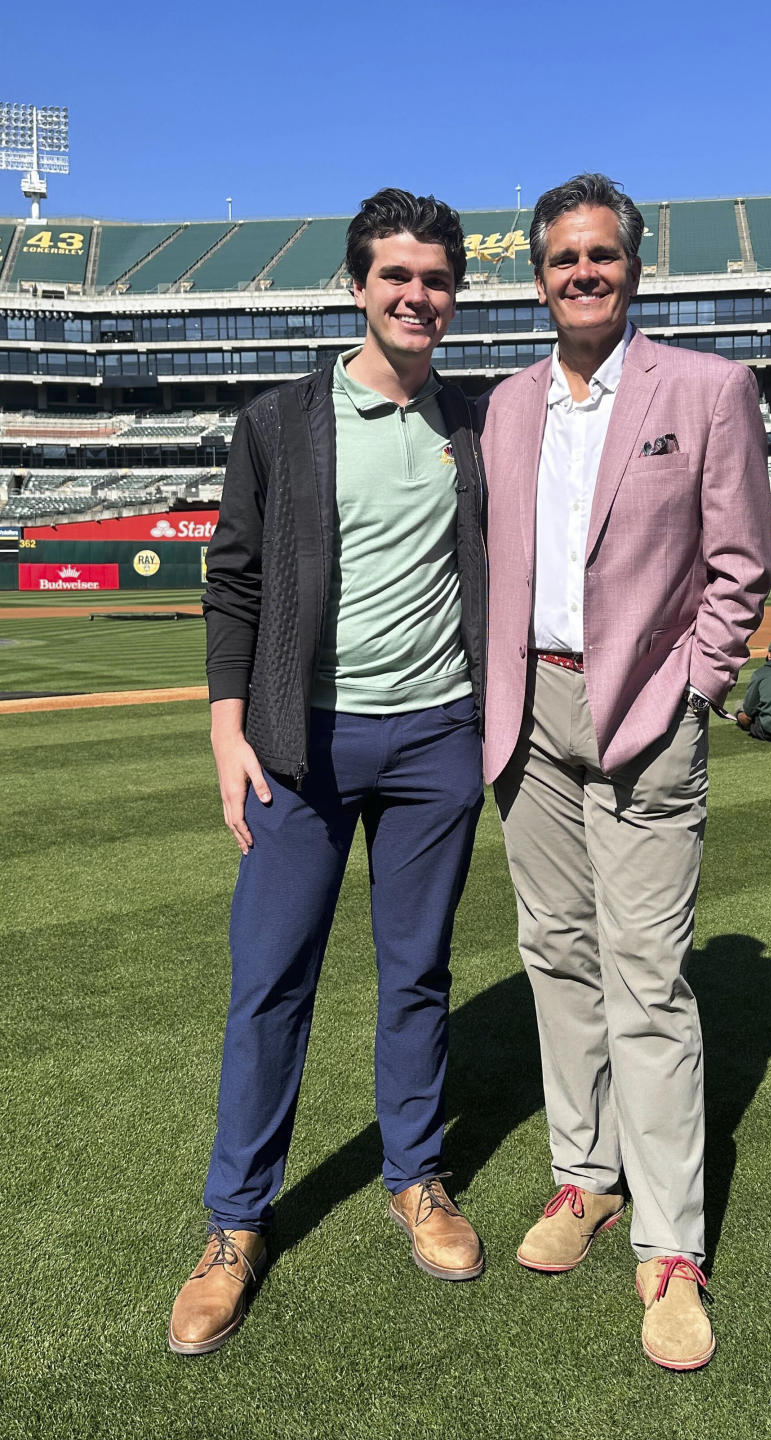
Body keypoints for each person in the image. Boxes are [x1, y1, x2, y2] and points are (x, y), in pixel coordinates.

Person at [168, 189, 488, 1357]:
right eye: (397, 277)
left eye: (438, 279)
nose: (418, 297)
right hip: (298, 744)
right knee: (270, 984)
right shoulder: (280, 421)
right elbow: (235, 583)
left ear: (456, 293)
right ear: (358, 286)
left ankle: (416, 1177)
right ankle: (235, 1224)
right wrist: (223, 727)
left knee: (416, 973)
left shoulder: (480, 420)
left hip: (438, 736)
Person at [480, 173, 771, 1372]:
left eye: (602, 255)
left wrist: (697, 687)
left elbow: (741, 563)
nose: (582, 273)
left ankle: (670, 1247)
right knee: (556, 954)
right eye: (563, 258)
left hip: (647, 710)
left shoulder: (707, 388)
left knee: (649, 979)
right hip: (531, 714)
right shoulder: (504, 405)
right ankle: (582, 1178)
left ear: (634, 268)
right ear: (540, 274)